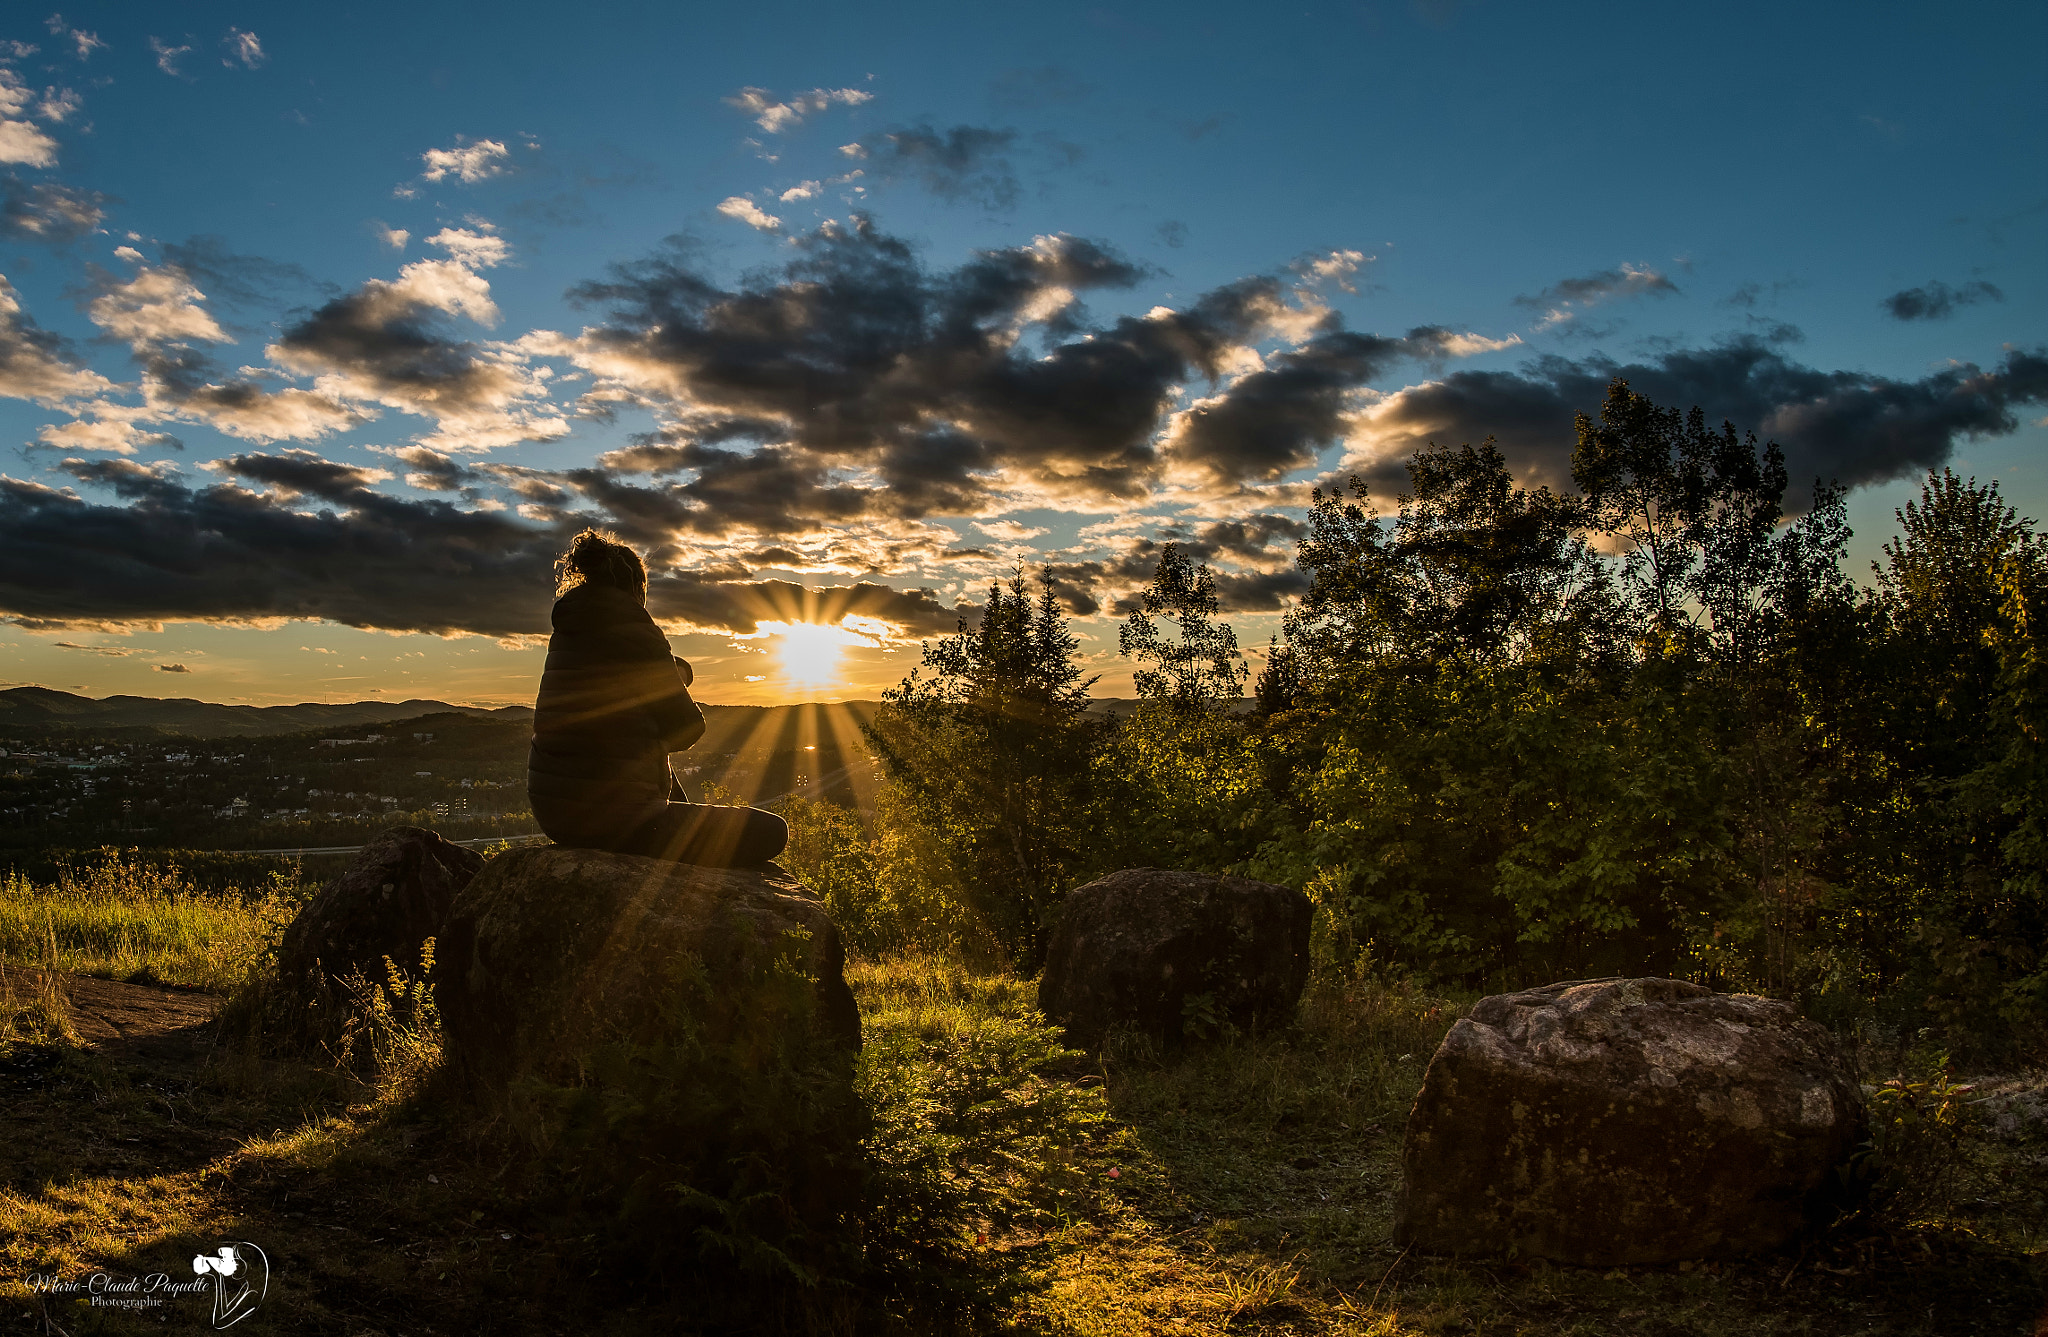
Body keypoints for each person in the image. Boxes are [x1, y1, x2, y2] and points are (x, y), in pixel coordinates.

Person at [526, 529, 788, 867]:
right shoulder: (639, 630)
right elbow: (687, 729)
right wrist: (674, 683)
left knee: (648, 755)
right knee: (772, 831)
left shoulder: (566, 631)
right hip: (620, 824)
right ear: (637, 587)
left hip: (557, 818)